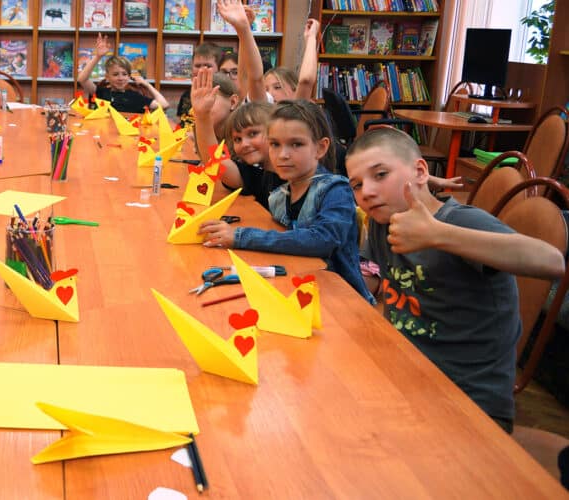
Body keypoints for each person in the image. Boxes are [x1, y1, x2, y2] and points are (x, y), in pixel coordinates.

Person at [346, 127, 565, 432]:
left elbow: (552, 261)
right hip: (409, 375)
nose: (366, 192)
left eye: (380, 175)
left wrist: (439, 235)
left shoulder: (459, 221)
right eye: (356, 185)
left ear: (420, 172)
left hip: (470, 401)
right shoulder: (384, 223)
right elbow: (375, 282)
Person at [195, 89, 372, 302]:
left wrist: (242, 237)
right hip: (300, 286)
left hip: (342, 299)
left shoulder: (336, 190)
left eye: (296, 144)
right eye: (275, 145)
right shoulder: (279, 196)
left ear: (320, 147)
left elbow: (323, 239)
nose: (283, 154)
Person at [78, 33, 168, 113]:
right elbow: (82, 79)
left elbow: (164, 105)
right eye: (115, 74)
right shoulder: (101, 92)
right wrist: (98, 56)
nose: (120, 78)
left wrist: (147, 84)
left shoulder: (135, 97)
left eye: (124, 74)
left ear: (129, 76)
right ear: (107, 77)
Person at [261, 20, 320, 101]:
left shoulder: (295, 107)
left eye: (277, 87)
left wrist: (311, 37)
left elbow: (306, 80)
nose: (270, 94)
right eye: (266, 90)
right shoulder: (263, 107)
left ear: (295, 89)